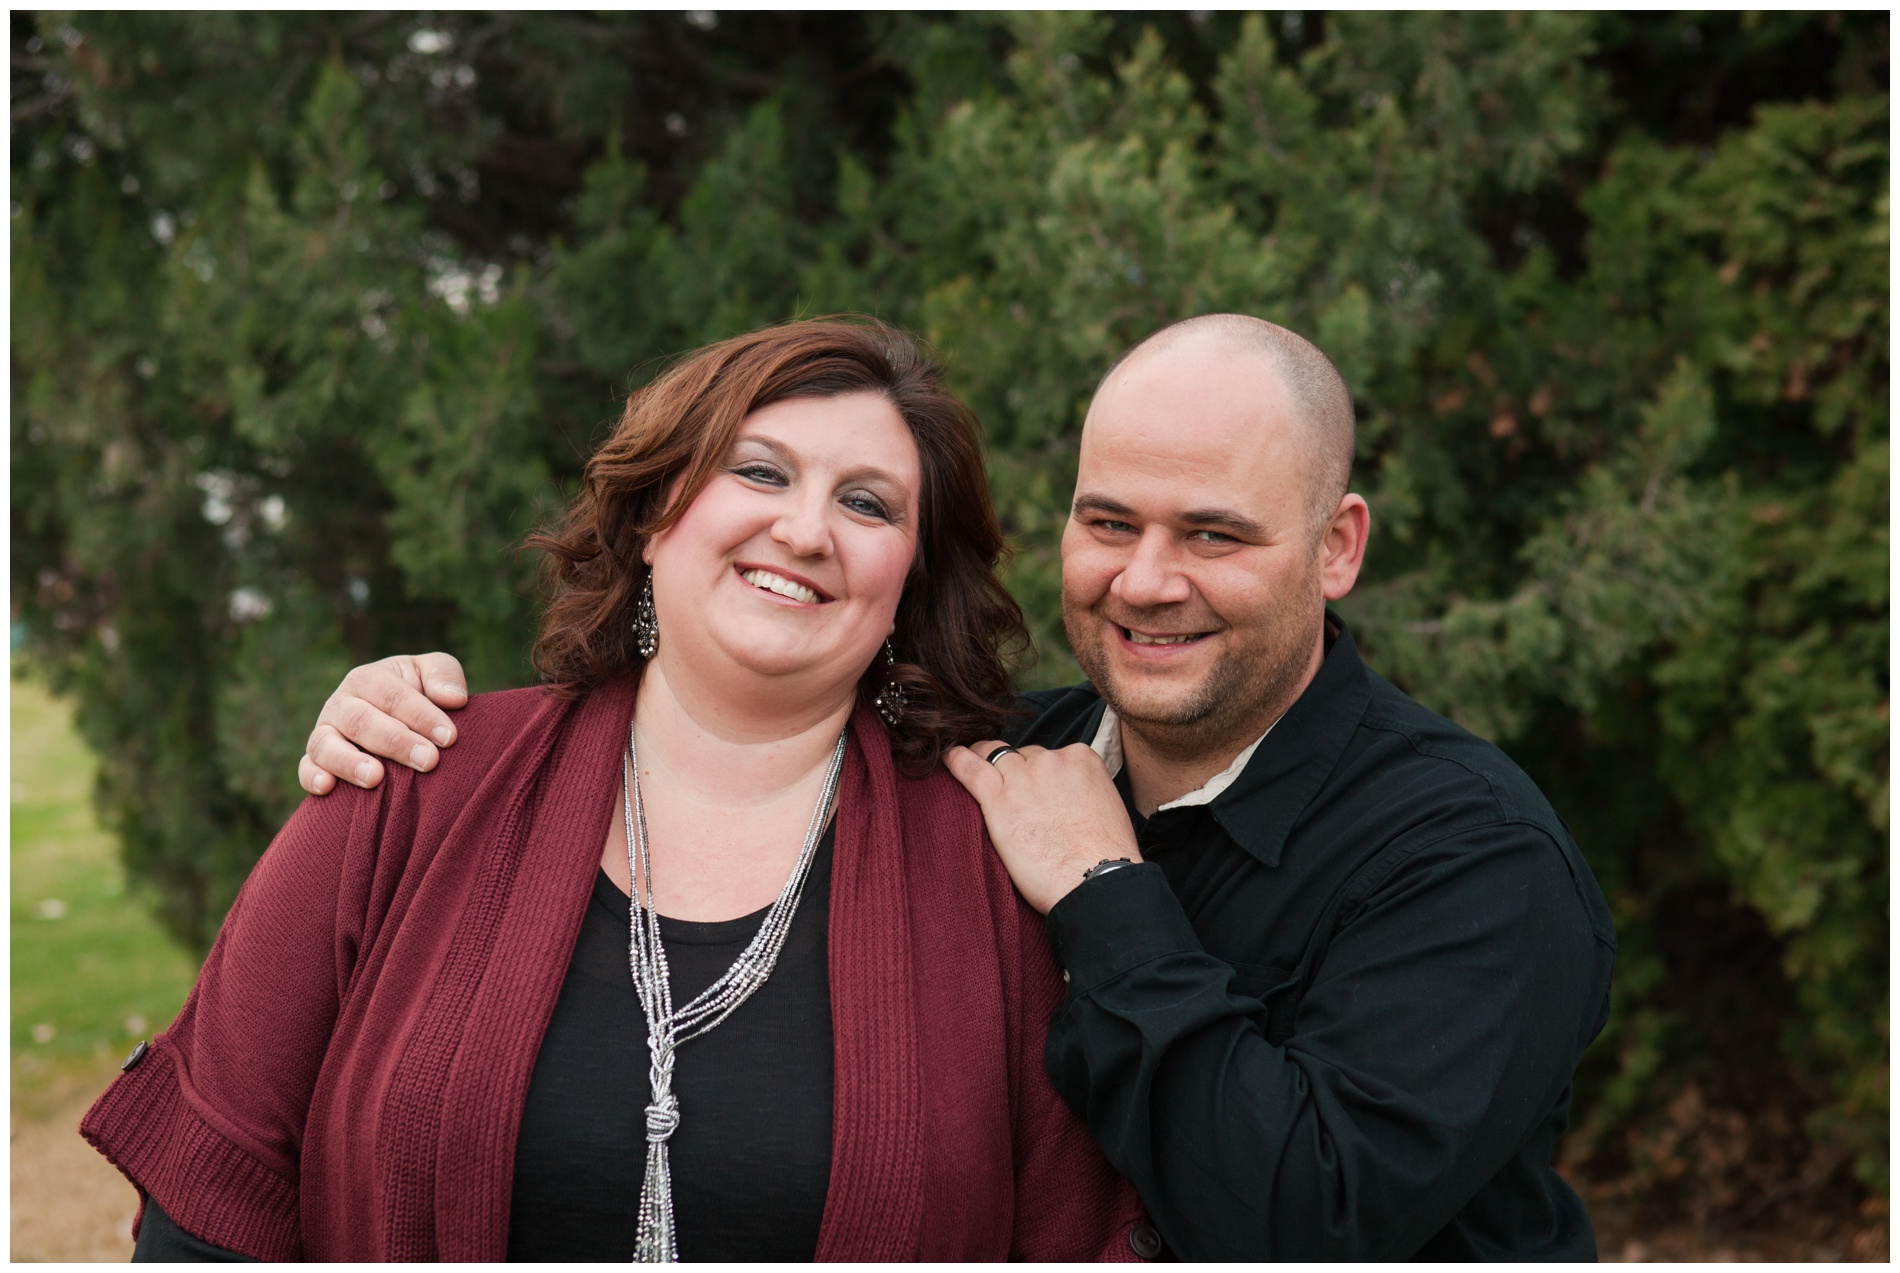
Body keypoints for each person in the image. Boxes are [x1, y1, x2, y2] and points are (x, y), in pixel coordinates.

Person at [298, 314, 1617, 1260]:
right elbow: (750, 686)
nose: (1147, 580)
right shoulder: (984, 767)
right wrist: (401, 709)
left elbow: (1294, 1224)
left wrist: (1107, 894)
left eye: (1214, 534)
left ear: (1337, 548)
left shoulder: (1472, 862)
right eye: (1110, 523)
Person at [82, 318, 1151, 1262]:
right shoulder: (408, 782)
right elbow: (213, 1216)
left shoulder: (992, 863)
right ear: (654, 513)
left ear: (910, 578)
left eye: (865, 503)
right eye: (761, 472)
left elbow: (1073, 1238)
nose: (806, 529)